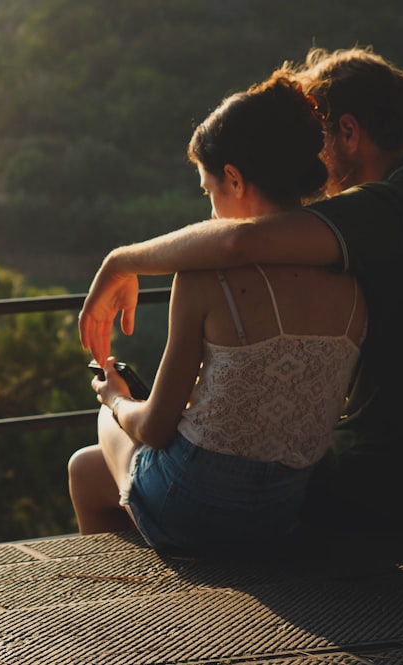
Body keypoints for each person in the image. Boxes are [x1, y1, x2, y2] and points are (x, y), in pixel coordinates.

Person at [77, 47, 403, 529]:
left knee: (96, 464)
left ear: (349, 133)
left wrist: (120, 260)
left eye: (319, 139)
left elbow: (238, 240)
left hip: (392, 487)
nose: (312, 157)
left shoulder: (387, 207)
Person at [67, 74, 367, 551]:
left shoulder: (206, 277)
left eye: (209, 192)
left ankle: (117, 601)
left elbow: (154, 428)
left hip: (195, 509)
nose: (209, 214)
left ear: (234, 179)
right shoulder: (350, 277)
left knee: (95, 448)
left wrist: (115, 399)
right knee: (91, 464)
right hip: (283, 512)